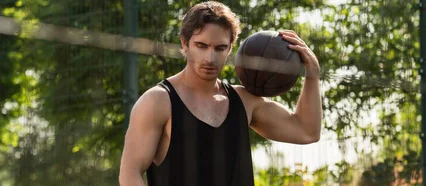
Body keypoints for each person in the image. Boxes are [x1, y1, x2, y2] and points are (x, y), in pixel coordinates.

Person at [119, 1, 322, 186]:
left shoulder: (244, 101)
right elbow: (130, 174)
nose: (210, 57)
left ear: (230, 48)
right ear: (184, 43)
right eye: (201, 46)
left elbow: (307, 131)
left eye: (220, 48)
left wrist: (312, 74)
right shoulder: (158, 101)